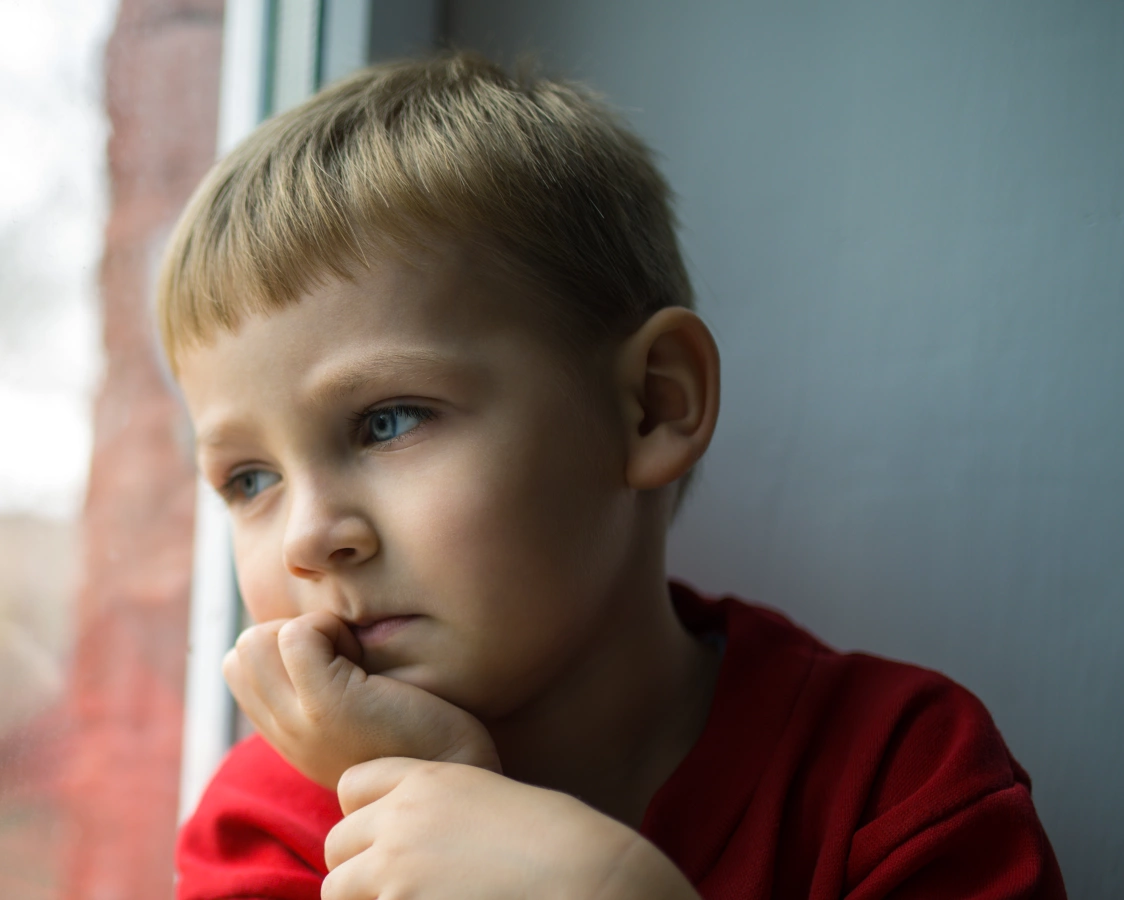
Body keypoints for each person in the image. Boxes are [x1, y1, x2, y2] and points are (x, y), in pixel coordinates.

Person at [160, 53, 1063, 899]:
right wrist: (434, 789)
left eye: (388, 421)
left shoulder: (900, 775)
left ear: (652, 406)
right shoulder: (266, 834)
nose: (310, 537)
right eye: (248, 480)